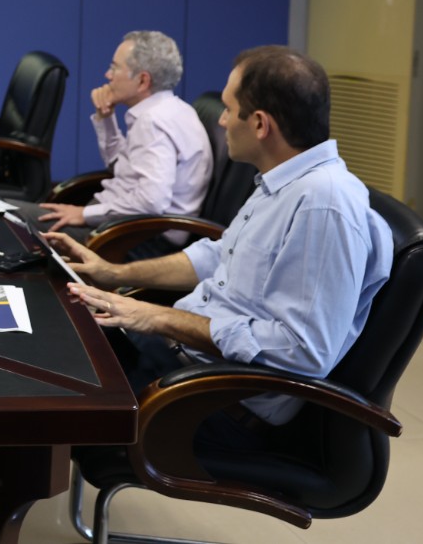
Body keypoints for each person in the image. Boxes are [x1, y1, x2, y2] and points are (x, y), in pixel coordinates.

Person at [48, 45, 393, 436]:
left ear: (260, 124)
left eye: (229, 110)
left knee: (52, 391)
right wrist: (114, 273)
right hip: (185, 365)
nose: (222, 121)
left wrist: (159, 317)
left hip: (216, 400)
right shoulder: (283, 181)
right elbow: (218, 256)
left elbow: (303, 351)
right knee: (58, 336)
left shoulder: (324, 205)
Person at [39, 30, 211, 242]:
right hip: (119, 221)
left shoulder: (153, 122)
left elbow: (151, 202)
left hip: (133, 237)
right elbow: (120, 166)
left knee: (17, 221)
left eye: (115, 67)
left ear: (142, 81)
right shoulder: (173, 110)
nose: (108, 75)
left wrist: (84, 214)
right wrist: (105, 117)